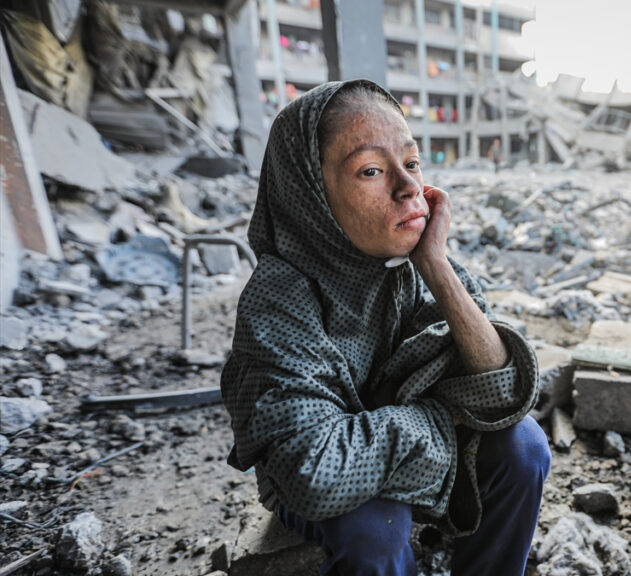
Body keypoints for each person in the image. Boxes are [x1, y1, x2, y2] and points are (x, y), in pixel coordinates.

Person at [220, 79, 549, 576]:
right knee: (375, 529)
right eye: (371, 170)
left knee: (523, 447)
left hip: (398, 450)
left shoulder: (414, 269)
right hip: (325, 483)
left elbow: (504, 396)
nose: (408, 187)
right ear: (310, 192)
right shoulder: (280, 299)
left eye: (412, 163)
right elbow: (314, 473)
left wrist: (436, 266)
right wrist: (441, 419)